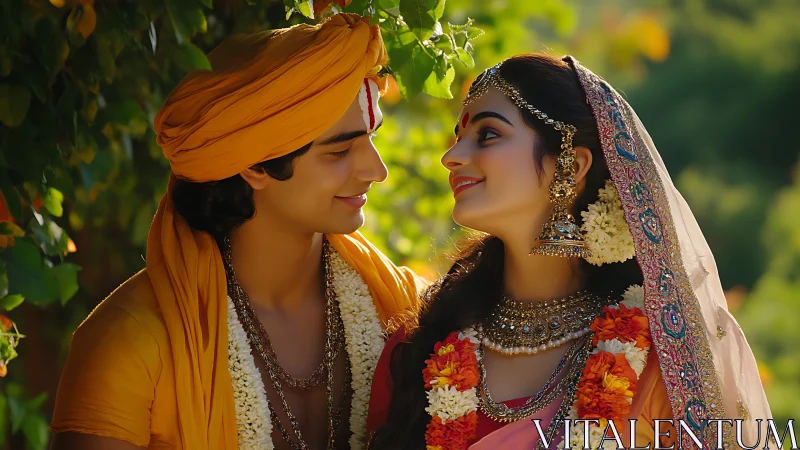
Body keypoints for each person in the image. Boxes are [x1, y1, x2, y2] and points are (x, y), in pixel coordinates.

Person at [50, 14, 421, 450]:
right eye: (339, 150)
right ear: (254, 164)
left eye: (372, 140)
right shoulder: (130, 342)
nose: (377, 171)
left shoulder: (406, 310)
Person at [366, 54, 771, 449]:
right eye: (458, 137)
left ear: (571, 165)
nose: (451, 156)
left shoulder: (664, 359)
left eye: (487, 134)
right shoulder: (418, 345)